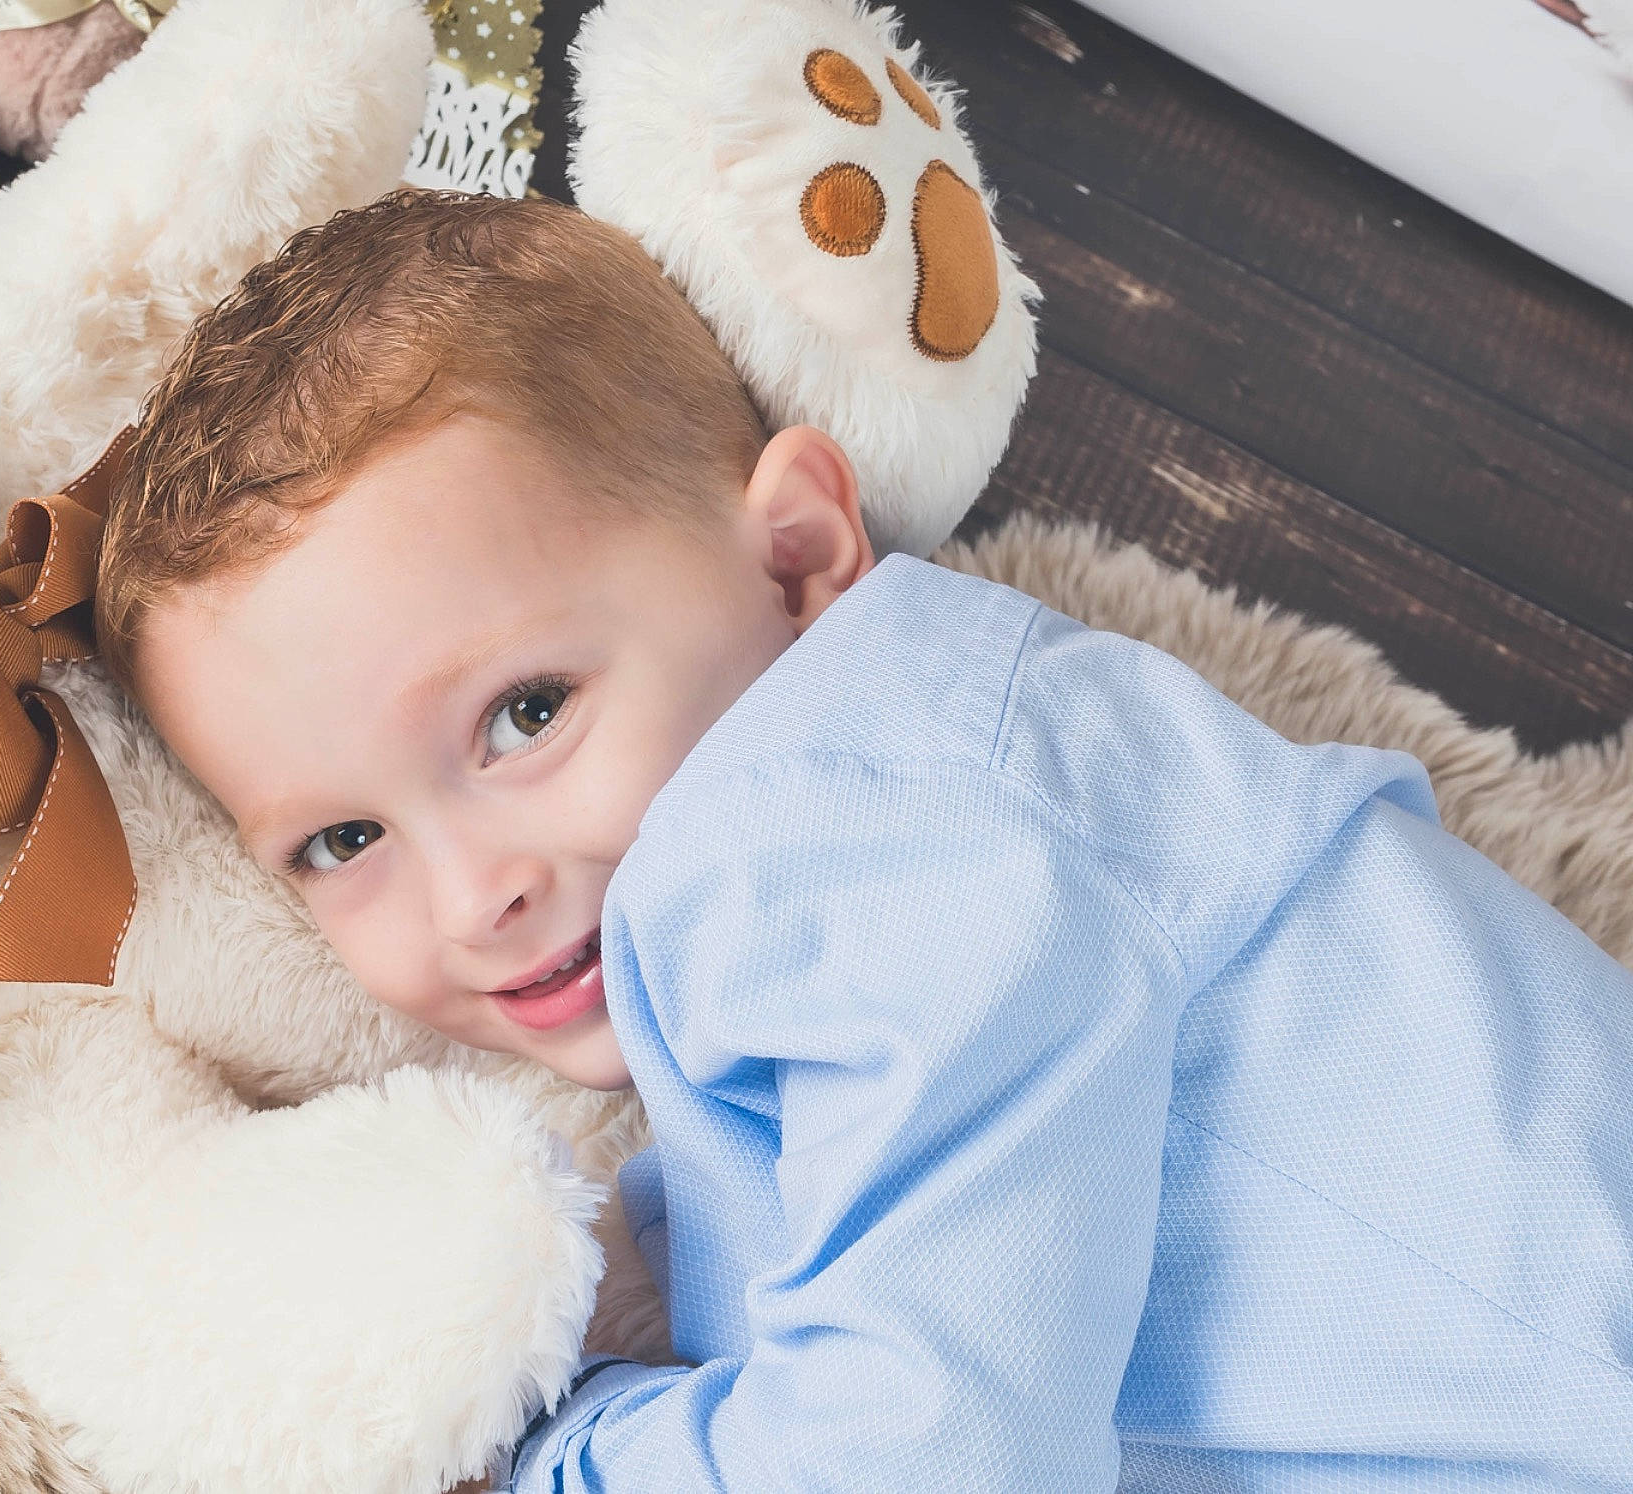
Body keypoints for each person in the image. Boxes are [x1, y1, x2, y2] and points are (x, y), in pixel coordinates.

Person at [94, 189, 1633, 1492]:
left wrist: (566, 1448)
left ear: (796, 556)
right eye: (343, 835)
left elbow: (919, 1450)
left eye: (526, 713)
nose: (473, 889)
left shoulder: (862, 820)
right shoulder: (890, 849)